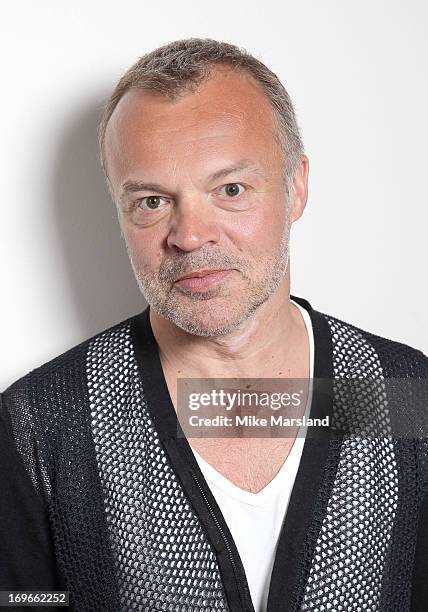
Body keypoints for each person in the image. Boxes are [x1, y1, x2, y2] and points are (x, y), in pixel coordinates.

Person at [1, 37, 427, 612]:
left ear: (295, 186)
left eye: (230, 190)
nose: (190, 235)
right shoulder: (42, 426)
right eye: (152, 201)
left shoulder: (401, 396)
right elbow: (23, 601)